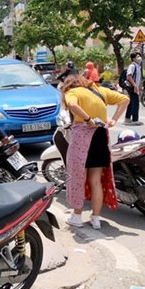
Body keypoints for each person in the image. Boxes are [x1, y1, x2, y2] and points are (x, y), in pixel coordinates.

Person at [61, 73, 129, 229]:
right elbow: (125, 100)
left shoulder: (73, 92)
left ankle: (77, 216)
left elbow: (72, 105)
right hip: (100, 138)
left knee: (78, 177)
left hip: (82, 140)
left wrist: (87, 120)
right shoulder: (100, 90)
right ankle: (96, 218)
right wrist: (114, 119)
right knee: (95, 180)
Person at [124, 52, 143, 126]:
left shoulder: (138, 66)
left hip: (136, 87)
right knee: (135, 103)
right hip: (132, 87)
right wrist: (135, 86)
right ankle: (135, 119)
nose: (139, 58)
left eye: (139, 56)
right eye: (137, 56)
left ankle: (127, 118)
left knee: (131, 102)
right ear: (133, 58)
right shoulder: (132, 66)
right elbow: (129, 76)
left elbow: (139, 78)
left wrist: (140, 88)